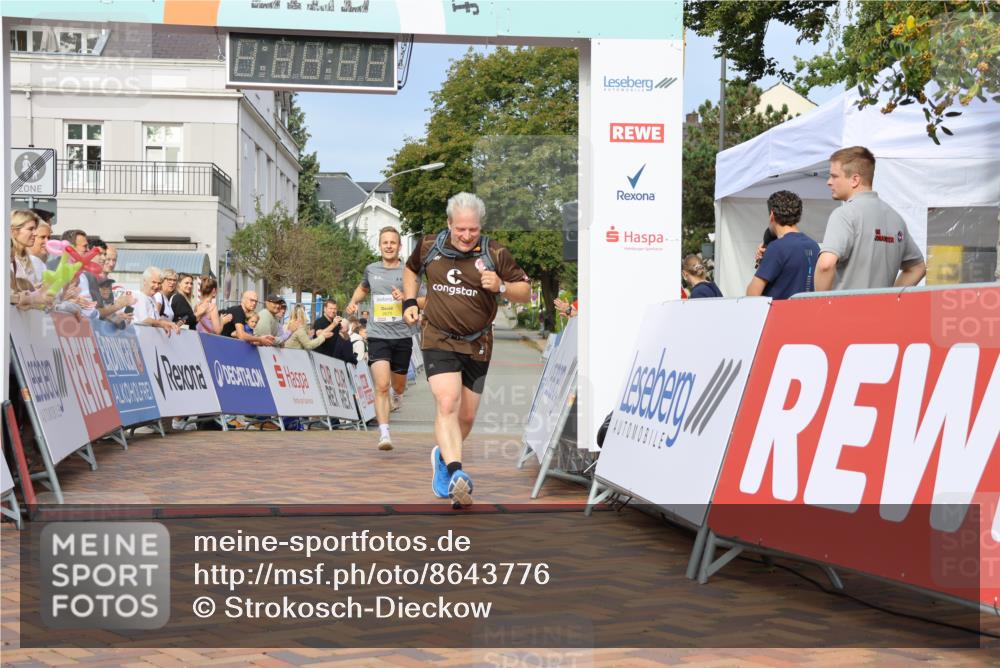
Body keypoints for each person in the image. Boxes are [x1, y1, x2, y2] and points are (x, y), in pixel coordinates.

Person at [403, 192, 531, 508]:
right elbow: (410, 270)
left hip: (478, 342)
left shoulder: (494, 253)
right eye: (460, 229)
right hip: (438, 336)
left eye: (472, 229)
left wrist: (500, 286)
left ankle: (442, 454)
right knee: (447, 401)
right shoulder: (430, 246)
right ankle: (456, 471)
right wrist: (409, 301)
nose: (466, 235)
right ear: (449, 224)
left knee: (467, 416)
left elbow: (525, 292)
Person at [815, 146, 926, 291]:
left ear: (855, 179)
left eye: (834, 176)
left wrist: (819, 306)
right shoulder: (895, 218)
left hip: (844, 311)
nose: (829, 182)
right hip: (881, 312)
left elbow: (825, 265)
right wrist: (889, 299)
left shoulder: (844, 214)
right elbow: (917, 267)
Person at [346, 226, 418, 450]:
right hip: (378, 335)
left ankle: (398, 394)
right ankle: (384, 433)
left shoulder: (408, 272)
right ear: (379, 246)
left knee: (397, 385)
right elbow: (362, 288)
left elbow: (420, 299)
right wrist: (354, 301)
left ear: (399, 246)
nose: (388, 246)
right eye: (385, 242)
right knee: (381, 385)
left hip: (402, 334)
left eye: (392, 242)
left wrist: (405, 296)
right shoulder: (371, 269)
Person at [746, 191, 820, 299]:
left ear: (772, 215)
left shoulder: (776, 248)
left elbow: (752, 294)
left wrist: (762, 264)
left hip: (780, 313)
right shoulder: (814, 246)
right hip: (807, 312)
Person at [132, 267, 181, 334]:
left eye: (159, 283)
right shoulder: (138, 296)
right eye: (154, 282)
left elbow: (156, 319)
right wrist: (163, 324)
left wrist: (168, 325)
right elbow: (144, 320)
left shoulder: (153, 298)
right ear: (145, 281)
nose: (156, 286)